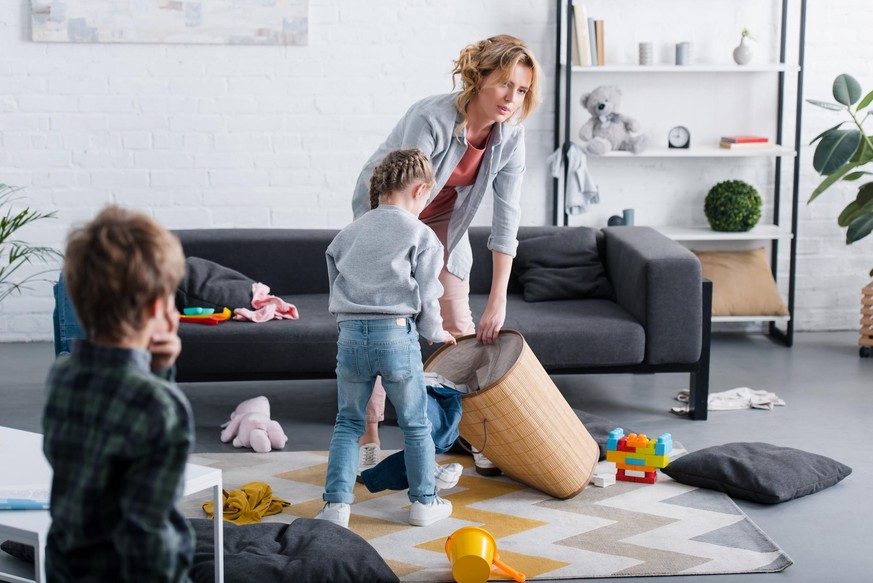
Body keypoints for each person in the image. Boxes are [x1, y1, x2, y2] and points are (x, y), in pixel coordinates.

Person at [354, 34, 542, 475]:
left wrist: (498, 298)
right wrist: (410, 276)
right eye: (504, 85)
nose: (511, 99)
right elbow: (401, 193)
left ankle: (473, 432)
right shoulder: (432, 118)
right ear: (478, 78)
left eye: (521, 90)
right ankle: (369, 435)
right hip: (389, 218)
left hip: (444, 227)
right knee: (385, 329)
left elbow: (506, 218)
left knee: (461, 329)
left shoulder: (510, 138)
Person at [42, 206, 193, 582]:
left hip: (66, 568)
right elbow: (149, 538)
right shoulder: (161, 407)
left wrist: (159, 370)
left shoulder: (62, 375)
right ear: (159, 307)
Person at [317, 148, 458, 529]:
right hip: (396, 335)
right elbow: (428, 295)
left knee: (348, 422)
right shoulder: (421, 234)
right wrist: (436, 332)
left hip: (350, 336)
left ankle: (335, 508)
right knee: (415, 424)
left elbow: (336, 292)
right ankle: (424, 502)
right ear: (420, 188)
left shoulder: (346, 235)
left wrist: (350, 325)